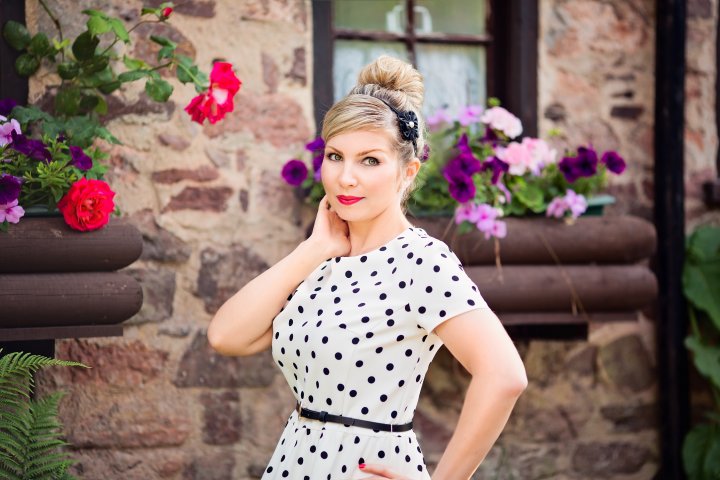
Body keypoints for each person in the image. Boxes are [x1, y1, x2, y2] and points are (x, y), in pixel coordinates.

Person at [208, 55, 527, 480]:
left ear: (407, 172)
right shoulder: (321, 262)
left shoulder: (421, 261)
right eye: (335, 156)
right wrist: (314, 249)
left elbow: (504, 376)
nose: (346, 178)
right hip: (294, 463)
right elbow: (226, 336)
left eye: (370, 160)